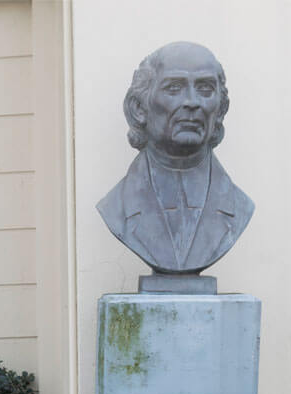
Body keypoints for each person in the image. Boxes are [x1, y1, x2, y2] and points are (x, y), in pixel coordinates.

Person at [97, 42, 254, 275]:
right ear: (139, 108)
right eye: (174, 88)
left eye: (205, 89)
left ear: (220, 109)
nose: (192, 102)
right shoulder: (116, 207)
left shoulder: (239, 205)